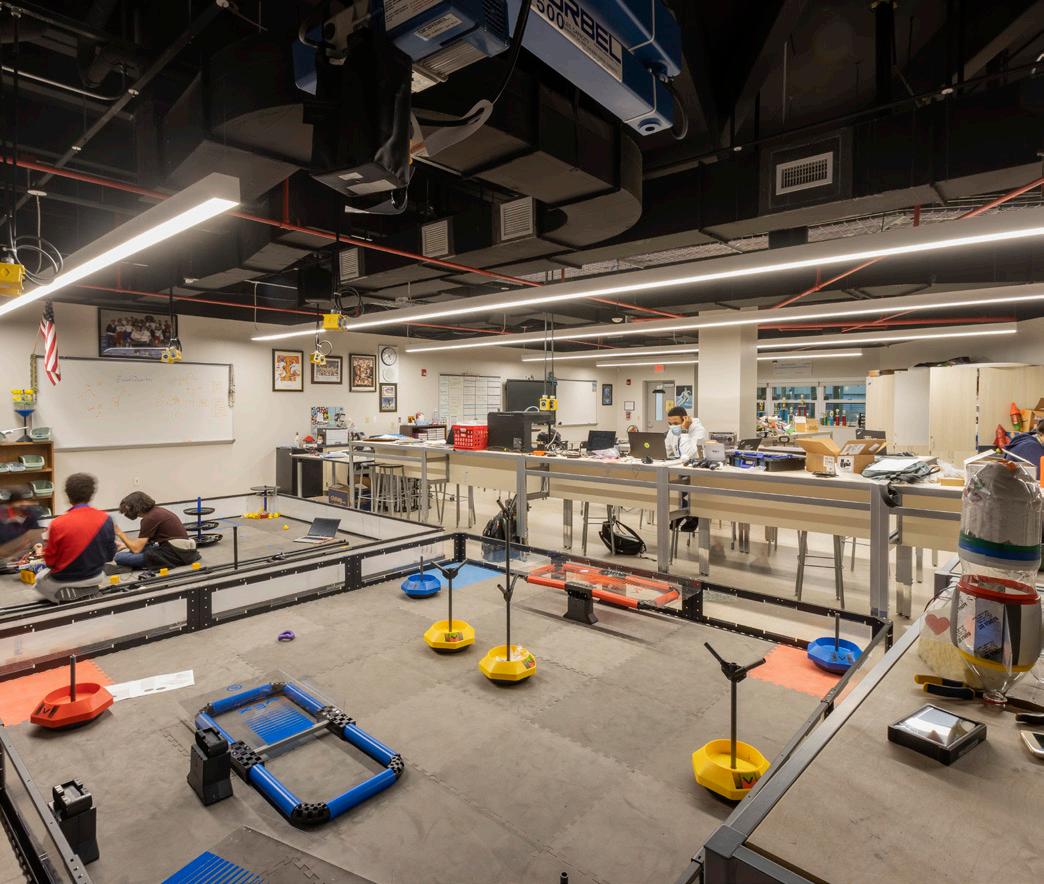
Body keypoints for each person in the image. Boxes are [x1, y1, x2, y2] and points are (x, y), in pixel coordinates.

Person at [36, 473, 115, 602]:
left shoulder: (57, 523)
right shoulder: (106, 519)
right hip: (96, 576)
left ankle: (64, 597)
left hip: (65, 579)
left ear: (68, 495)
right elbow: (110, 556)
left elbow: (50, 562)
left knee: (39, 579)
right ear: (91, 494)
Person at [112, 491, 199, 570]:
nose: (127, 512)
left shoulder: (150, 518)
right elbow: (143, 543)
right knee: (143, 548)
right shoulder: (157, 511)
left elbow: (136, 549)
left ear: (136, 506)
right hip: (184, 552)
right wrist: (124, 545)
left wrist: (119, 532)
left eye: (128, 508)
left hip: (176, 555)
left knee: (119, 557)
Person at [0, 486, 44, 561]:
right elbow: (2, 550)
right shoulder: (2, 518)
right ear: (11, 504)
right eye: (19, 502)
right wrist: (25, 539)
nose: (23, 505)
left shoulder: (31, 514)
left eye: (26, 502)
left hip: (26, 558)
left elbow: (36, 536)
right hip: (5, 559)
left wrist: (38, 547)